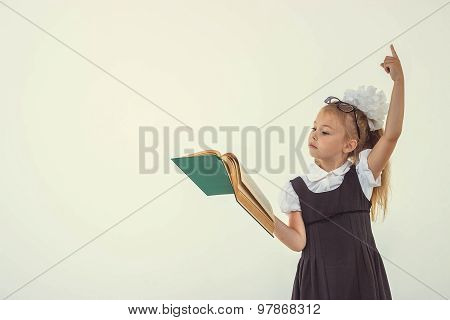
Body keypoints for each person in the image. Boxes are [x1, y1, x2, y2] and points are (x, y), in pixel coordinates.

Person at [273, 44, 404, 299]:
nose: (314, 135)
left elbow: (392, 135)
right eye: (314, 128)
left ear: (349, 145)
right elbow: (298, 242)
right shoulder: (296, 189)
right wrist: (262, 212)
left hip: (361, 279)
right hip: (316, 284)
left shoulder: (363, 176)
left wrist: (399, 81)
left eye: (325, 132)